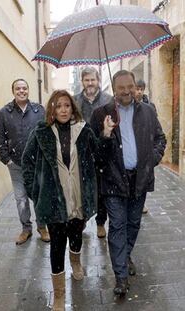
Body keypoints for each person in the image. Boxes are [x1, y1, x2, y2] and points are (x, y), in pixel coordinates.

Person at [22, 90, 114, 311]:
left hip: (78, 198)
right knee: (56, 245)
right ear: (52, 109)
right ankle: (60, 296)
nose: (63, 110)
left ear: (73, 109)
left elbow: (100, 156)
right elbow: (27, 163)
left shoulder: (83, 131)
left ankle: (75, 261)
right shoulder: (40, 132)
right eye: (58, 105)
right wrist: (36, 192)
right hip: (53, 201)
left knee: (76, 236)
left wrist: (107, 135)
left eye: (67, 106)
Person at [90, 70, 166, 296]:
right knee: (118, 226)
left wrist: (151, 160)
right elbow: (95, 154)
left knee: (133, 223)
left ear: (135, 86)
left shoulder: (148, 111)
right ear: (114, 90)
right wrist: (105, 134)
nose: (126, 91)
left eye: (129, 86)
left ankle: (125, 255)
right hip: (113, 180)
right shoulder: (100, 114)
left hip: (139, 179)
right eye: (121, 87)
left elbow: (160, 138)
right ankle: (120, 276)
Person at [0, 78, 50, 245]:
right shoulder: (4, 112)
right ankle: (26, 229)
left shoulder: (39, 110)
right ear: (13, 91)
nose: (21, 91)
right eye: (18, 88)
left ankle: (42, 227)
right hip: (16, 164)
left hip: (37, 163)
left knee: (39, 196)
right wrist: (7, 159)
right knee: (21, 198)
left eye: (24, 88)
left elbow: (47, 133)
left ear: (28, 90)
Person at [74, 66, 112, 238]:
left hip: (103, 151)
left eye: (93, 79)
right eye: (86, 80)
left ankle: (100, 223)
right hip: (81, 154)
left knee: (101, 191)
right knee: (82, 190)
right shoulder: (74, 102)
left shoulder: (108, 101)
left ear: (98, 80)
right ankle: (81, 220)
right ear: (82, 81)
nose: (90, 83)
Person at [134, 79, 157, 215]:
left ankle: (141, 203)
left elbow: (156, 128)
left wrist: (155, 156)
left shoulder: (150, 106)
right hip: (135, 147)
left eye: (141, 89)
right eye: (137, 88)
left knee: (144, 178)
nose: (139, 91)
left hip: (146, 147)